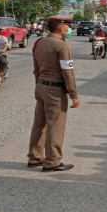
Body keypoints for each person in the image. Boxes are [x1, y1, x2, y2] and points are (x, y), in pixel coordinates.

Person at [28, 18, 80, 172]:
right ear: (61, 28)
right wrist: (74, 94)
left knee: (39, 123)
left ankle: (34, 158)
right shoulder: (62, 45)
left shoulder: (40, 42)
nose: (69, 28)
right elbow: (67, 71)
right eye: (67, 26)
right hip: (55, 90)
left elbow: (36, 67)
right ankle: (52, 161)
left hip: (41, 86)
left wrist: (39, 83)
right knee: (55, 125)